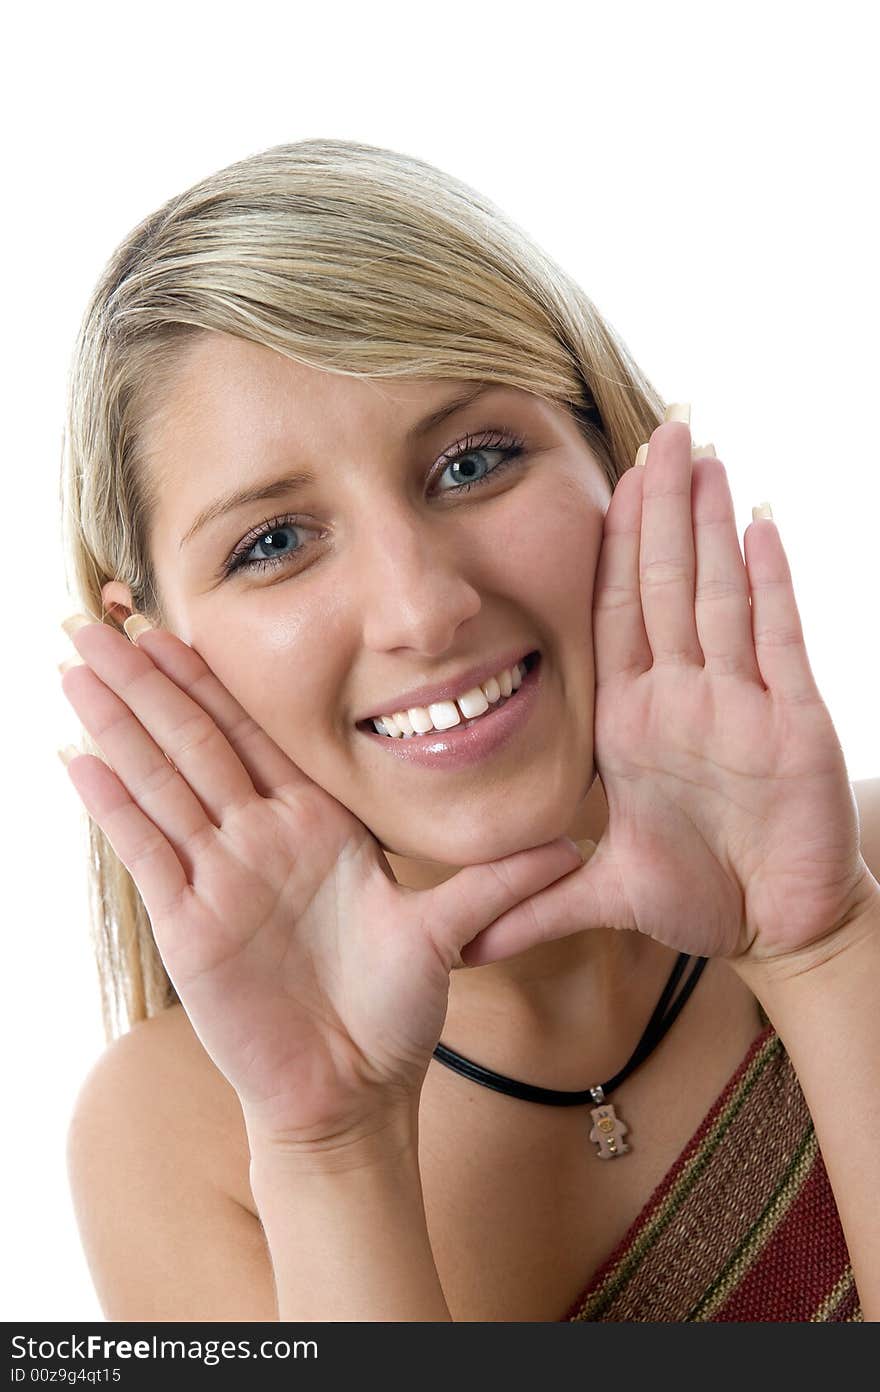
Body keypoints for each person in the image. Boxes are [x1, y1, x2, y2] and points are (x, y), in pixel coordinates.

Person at [57, 138, 880, 1323]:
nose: (423, 607)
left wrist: (823, 953)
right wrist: (332, 1145)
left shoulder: (854, 875)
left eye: (473, 461)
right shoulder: (175, 1138)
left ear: (612, 451)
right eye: (274, 542)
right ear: (157, 651)